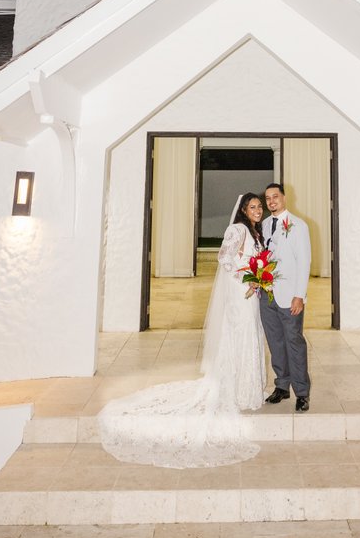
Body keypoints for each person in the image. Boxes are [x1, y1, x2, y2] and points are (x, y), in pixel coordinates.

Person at [98, 192, 267, 468]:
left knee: (251, 335)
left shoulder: (255, 232)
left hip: (251, 292)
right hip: (240, 293)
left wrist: (258, 278)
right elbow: (224, 259)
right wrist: (248, 278)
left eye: (259, 206)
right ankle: (235, 387)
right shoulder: (237, 229)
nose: (257, 210)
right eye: (253, 207)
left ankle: (247, 387)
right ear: (243, 210)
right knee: (240, 335)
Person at [260, 182, 312, 411]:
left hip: (289, 295)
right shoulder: (263, 225)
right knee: (275, 342)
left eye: (275, 196)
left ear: (284, 198)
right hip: (267, 294)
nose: (271, 201)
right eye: (268, 198)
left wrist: (299, 295)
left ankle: (302, 392)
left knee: (294, 342)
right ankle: (282, 386)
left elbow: (304, 262)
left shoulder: (298, 226)